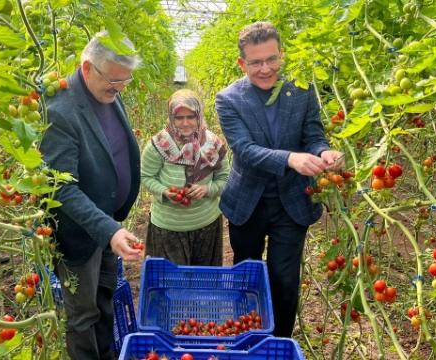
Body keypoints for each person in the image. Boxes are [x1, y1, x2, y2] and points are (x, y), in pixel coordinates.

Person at [215, 22, 344, 338]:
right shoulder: (229, 98)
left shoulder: (301, 91)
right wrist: (291, 158)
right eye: (255, 62)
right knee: (247, 274)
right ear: (242, 63)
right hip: (248, 202)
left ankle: (279, 343)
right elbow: (244, 150)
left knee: (284, 279)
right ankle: (246, 336)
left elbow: (312, 135)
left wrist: (324, 151)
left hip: (292, 200)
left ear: (281, 55)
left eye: (271, 59)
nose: (265, 69)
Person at [39, 31, 142, 360]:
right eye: (114, 82)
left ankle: (107, 354)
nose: (119, 89)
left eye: (125, 82)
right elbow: (60, 188)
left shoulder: (110, 91)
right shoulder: (59, 111)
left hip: (107, 222)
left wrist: (111, 226)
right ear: (87, 68)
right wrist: (109, 230)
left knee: (105, 296)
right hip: (80, 235)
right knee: (83, 314)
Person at [141, 89, 229, 266]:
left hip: (206, 225)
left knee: (202, 282)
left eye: (191, 116)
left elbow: (225, 179)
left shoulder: (213, 144)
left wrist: (207, 189)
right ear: (171, 118)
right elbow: (146, 176)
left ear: (199, 116)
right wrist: (165, 192)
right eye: (179, 118)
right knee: (171, 281)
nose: (185, 123)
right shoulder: (159, 144)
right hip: (167, 227)